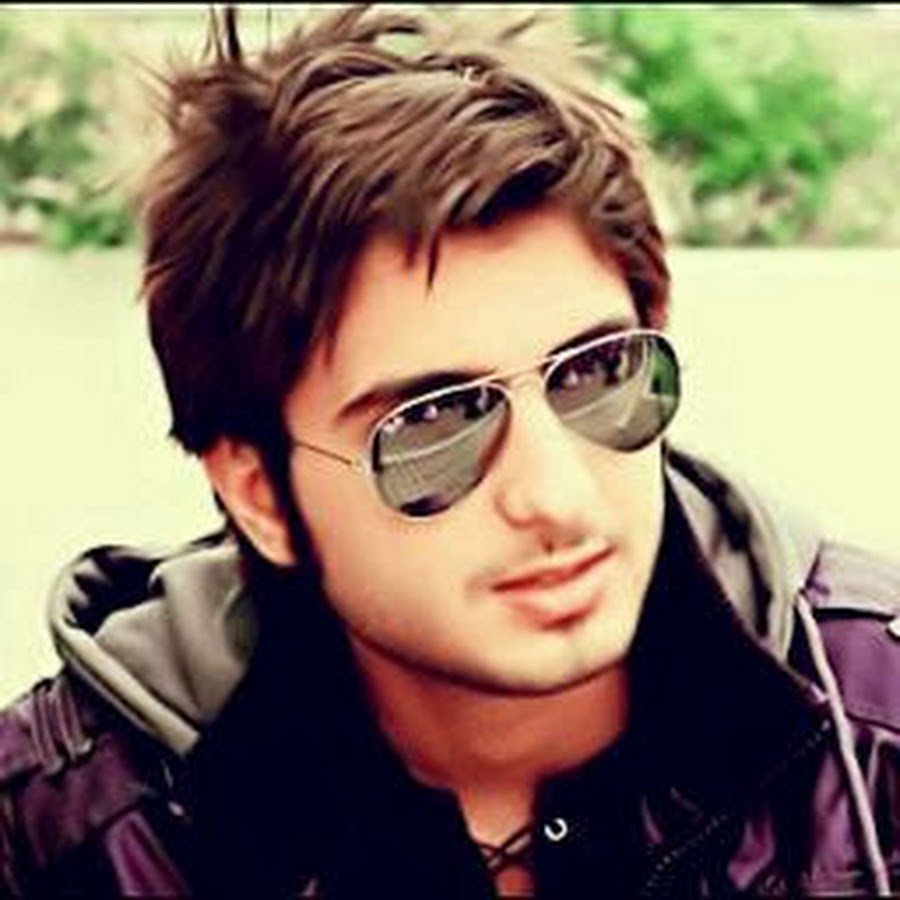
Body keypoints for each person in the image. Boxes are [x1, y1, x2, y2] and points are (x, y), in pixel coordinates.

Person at [1, 5, 898, 897]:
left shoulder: (876, 737)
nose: (556, 496)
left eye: (598, 374)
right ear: (259, 494)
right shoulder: (62, 842)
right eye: (433, 425)